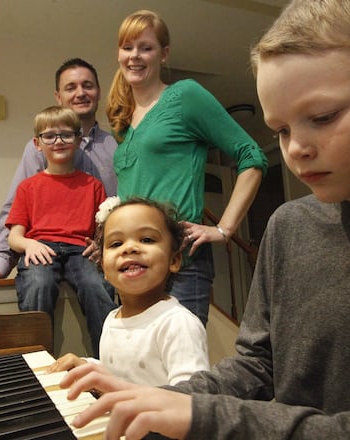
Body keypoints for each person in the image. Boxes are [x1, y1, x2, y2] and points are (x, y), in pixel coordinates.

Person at [58, 1, 350, 439]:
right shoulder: (290, 225)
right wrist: (157, 396)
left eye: (323, 117)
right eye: (281, 130)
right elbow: (255, 365)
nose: (295, 150)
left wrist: (208, 416)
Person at [106, 10, 269, 326]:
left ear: (164, 54)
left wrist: (224, 228)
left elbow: (252, 156)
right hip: (133, 265)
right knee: (139, 365)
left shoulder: (186, 96)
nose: (134, 56)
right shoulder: (122, 122)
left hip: (182, 261)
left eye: (146, 47)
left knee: (182, 369)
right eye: (127, 47)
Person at [0, 58, 117, 282]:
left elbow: (123, 207)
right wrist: (0, 264)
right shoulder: (36, 149)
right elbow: (15, 209)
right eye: (70, 87)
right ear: (58, 96)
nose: (80, 93)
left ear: (98, 91)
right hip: (44, 264)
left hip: (100, 266)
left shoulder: (117, 146)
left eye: (87, 85)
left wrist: (107, 246)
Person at [47, 197, 209, 386]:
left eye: (147, 239)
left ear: (174, 261)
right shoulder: (112, 319)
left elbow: (189, 400)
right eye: (116, 244)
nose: (129, 248)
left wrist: (115, 392)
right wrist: (86, 367)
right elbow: (119, 375)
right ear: (104, 269)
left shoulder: (178, 324)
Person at [5, 105, 116, 357]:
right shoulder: (28, 187)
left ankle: (109, 362)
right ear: (37, 143)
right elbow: (14, 237)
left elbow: (104, 231)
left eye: (66, 135)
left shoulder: (93, 185)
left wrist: (100, 246)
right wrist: (29, 244)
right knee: (38, 283)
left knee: (95, 285)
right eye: (49, 136)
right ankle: (36, 362)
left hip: (81, 250)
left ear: (78, 140)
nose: (58, 141)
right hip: (41, 247)